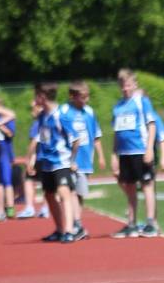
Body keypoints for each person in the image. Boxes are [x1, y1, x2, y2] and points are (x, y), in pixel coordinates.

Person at [28, 83, 79, 243]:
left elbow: (76, 139)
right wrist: (32, 159)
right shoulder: (42, 116)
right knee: (49, 195)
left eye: (36, 95)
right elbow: (39, 139)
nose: (35, 99)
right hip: (47, 162)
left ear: (42, 96)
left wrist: (71, 160)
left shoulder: (61, 115)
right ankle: (59, 229)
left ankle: (70, 231)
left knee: (64, 193)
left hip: (61, 161)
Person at [110, 69, 158, 238]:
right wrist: (114, 155)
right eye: (123, 86)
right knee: (129, 187)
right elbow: (116, 133)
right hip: (124, 153)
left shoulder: (142, 102)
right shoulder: (117, 107)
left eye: (128, 85)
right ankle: (131, 223)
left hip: (140, 149)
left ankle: (151, 222)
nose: (126, 89)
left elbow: (151, 125)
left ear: (135, 84)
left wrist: (149, 149)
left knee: (147, 185)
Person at [58, 81, 105, 240]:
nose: (86, 100)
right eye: (82, 97)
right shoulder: (64, 111)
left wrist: (101, 156)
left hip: (85, 159)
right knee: (68, 192)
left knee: (79, 193)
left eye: (87, 96)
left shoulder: (89, 112)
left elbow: (96, 135)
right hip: (67, 160)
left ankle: (77, 225)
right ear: (72, 96)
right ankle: (74, 224)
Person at [17, 99, 48, 219]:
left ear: (40, 108)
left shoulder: (37, 123)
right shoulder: (47, 121)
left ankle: (30, 207)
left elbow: (34, 143)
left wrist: (28, 159)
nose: (32, 111)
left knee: (28, 179)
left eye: (33, 108)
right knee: (46, 182)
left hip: (39, 157)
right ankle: (46, 208)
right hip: (48, 157)